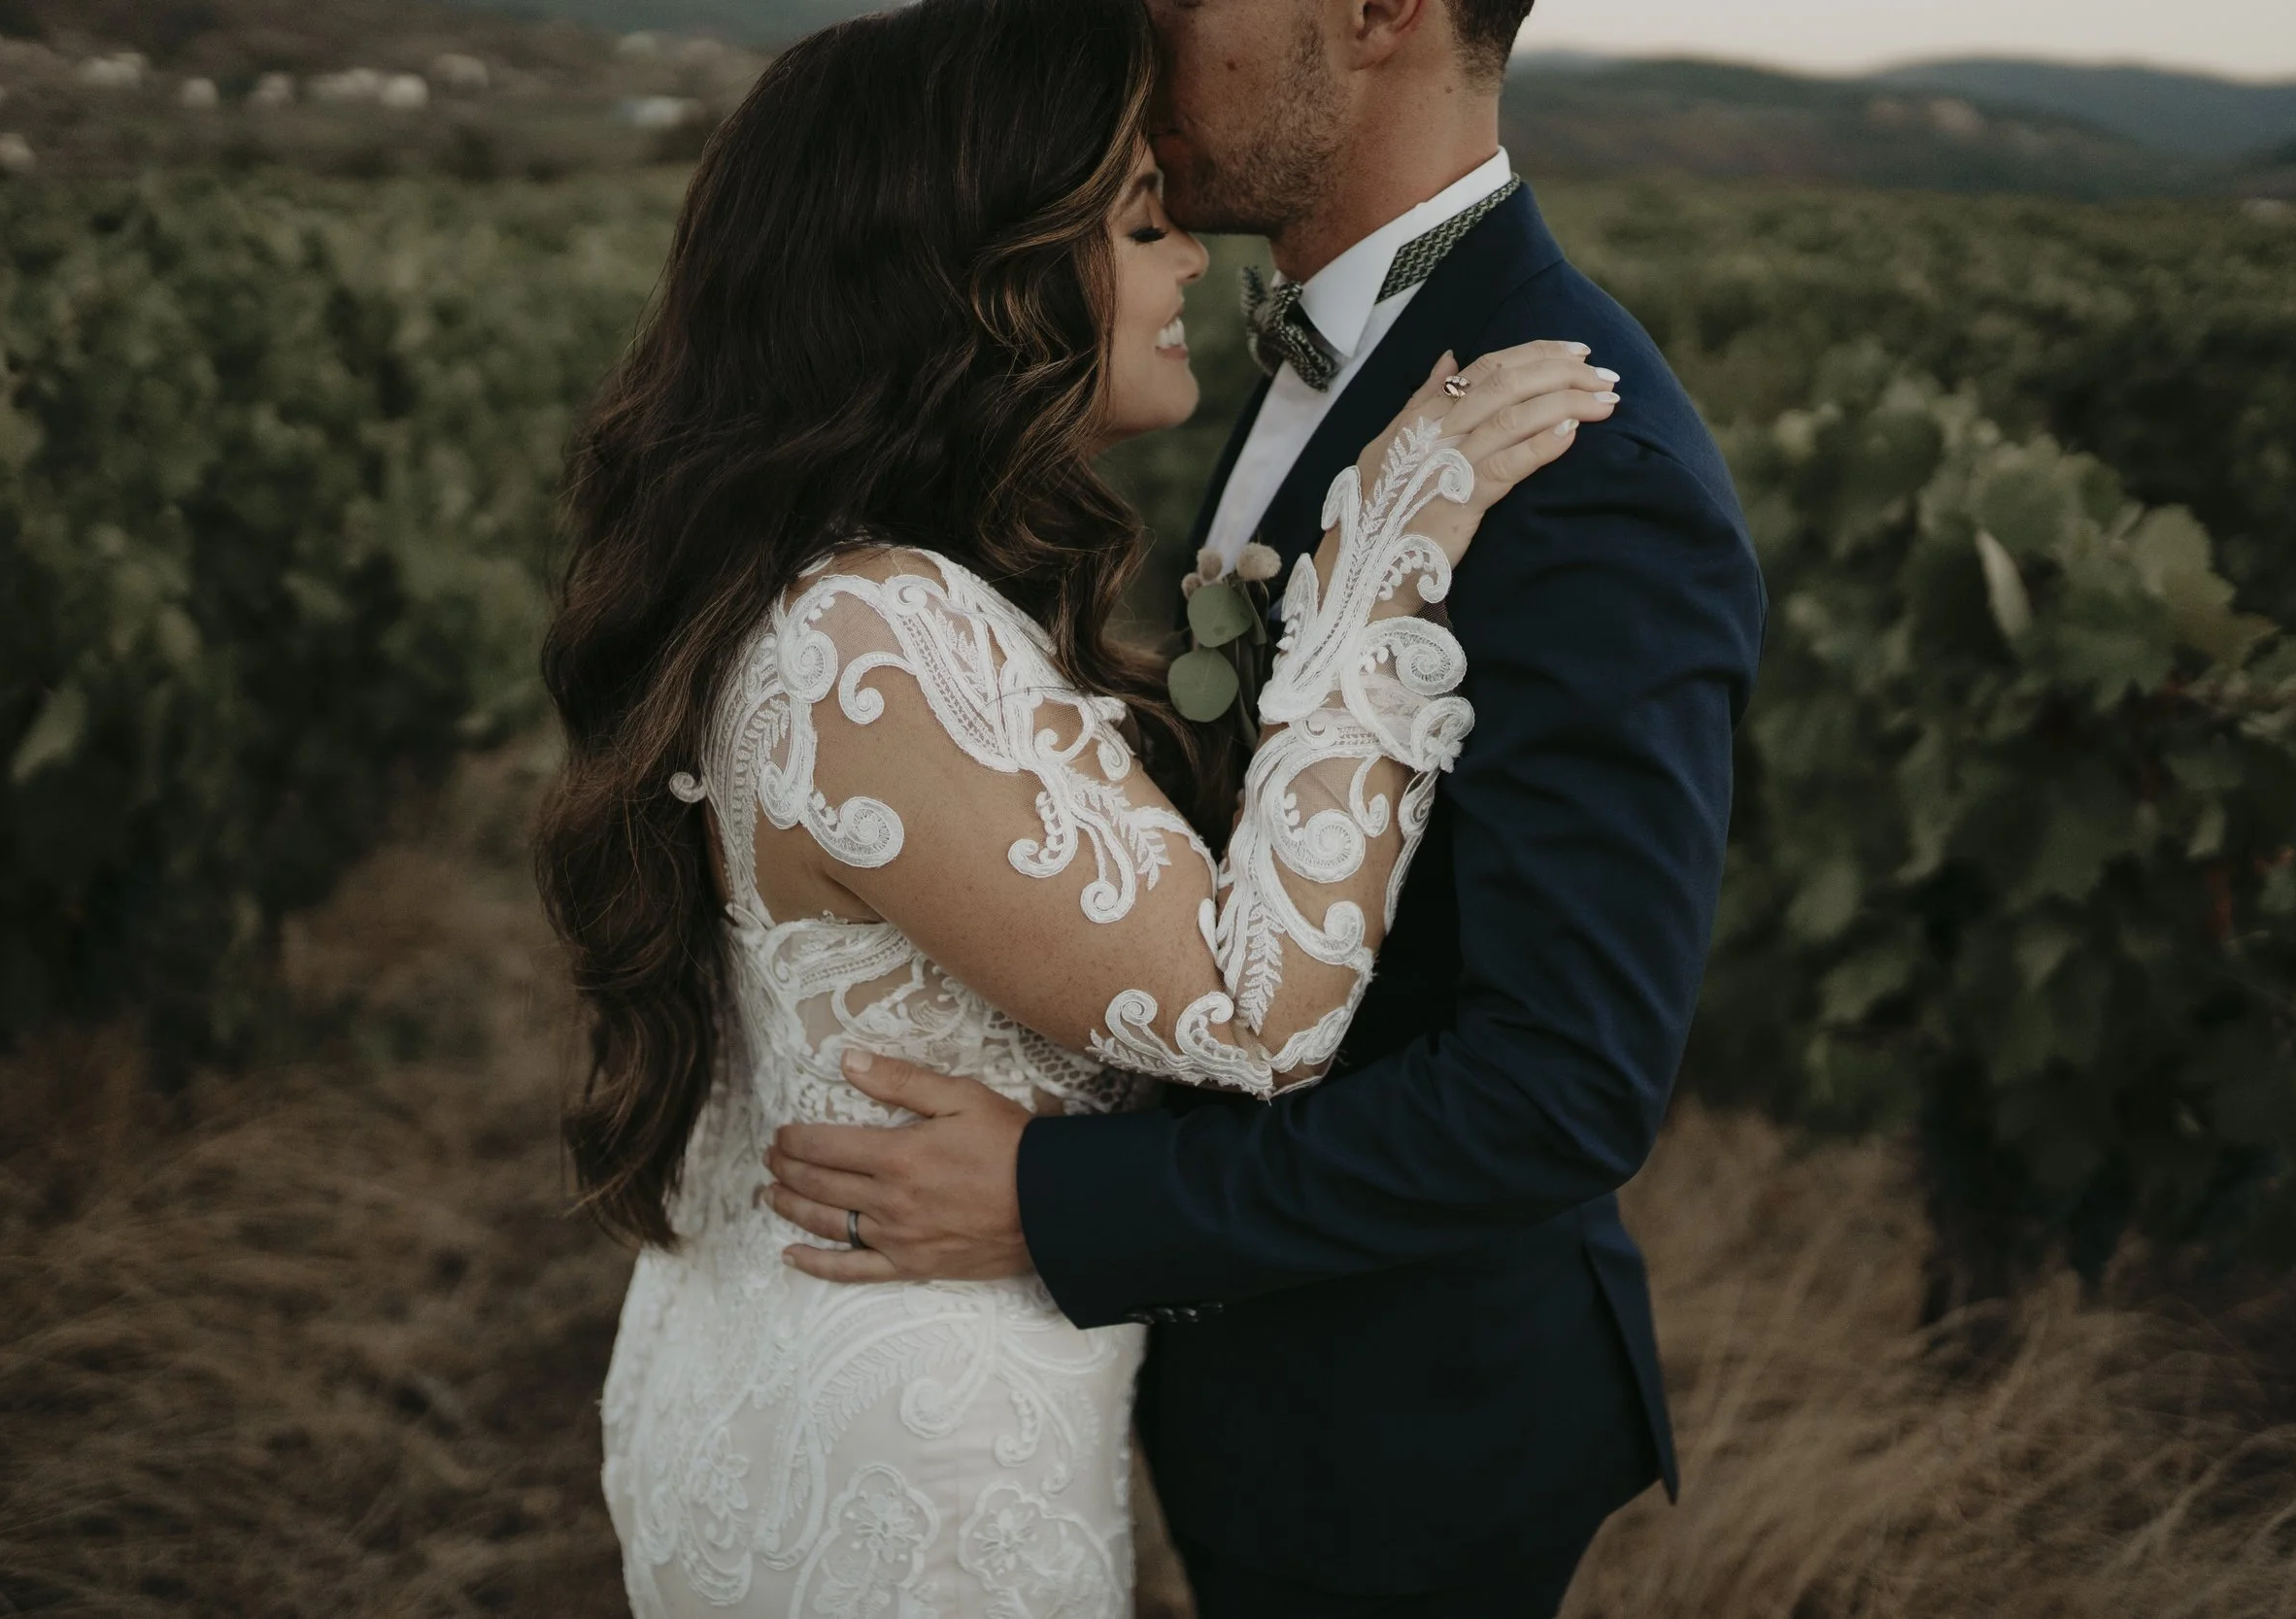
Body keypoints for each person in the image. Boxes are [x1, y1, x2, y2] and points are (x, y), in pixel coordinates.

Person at [534, 1, 1620, 1613]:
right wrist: (1381, 563)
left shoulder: (845, 588)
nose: (1186, 254)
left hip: (808, 1364)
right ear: (983, 278)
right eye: (1132, 219)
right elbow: (1259, 1014)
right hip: (913, 1450)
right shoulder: (873, 632)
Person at [760, 1, 1768, 1615]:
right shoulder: (1331, 346)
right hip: (1257, 1371)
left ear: (1374, 14)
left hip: (1406, 1427)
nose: (1138, 22)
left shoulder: (1587, 464)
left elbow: (1563, 1087)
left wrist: (1059, 1201)